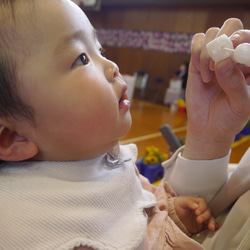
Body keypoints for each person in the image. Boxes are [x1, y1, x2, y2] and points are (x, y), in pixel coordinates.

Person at [0, 0, 248, 249]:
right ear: (13, 137)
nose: (113, 66)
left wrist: (167, 213)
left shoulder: (105, 156)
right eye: (81, 58)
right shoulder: (34, 229)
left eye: (100, 49)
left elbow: (134, 209)